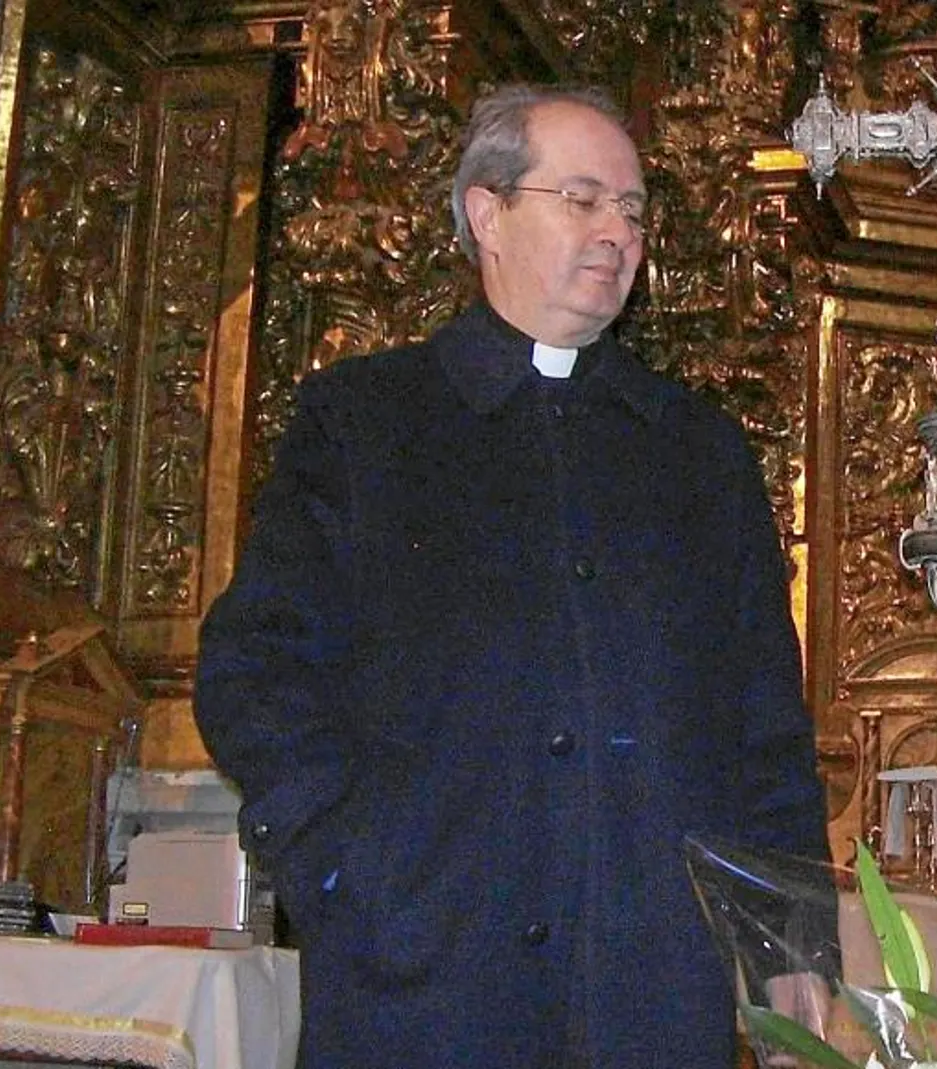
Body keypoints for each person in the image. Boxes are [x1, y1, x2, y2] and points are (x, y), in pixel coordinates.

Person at [194, 84, 833, 1068]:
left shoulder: (699, 454)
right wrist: (344, 873)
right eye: (582, 199)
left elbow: (764, 731)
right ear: (487, 212)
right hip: (421, 988)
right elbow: (256, 669)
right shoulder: (365, 423)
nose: (617, 231)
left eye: (633, 210)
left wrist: (789, 947)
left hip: (650, 995)